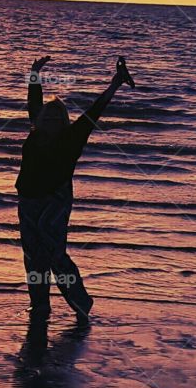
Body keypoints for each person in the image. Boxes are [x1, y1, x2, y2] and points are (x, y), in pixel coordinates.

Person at [16, 54, 135, 322]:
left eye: (57, 118)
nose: (50, 120)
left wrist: (115, 84)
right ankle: (40, 305)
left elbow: (95, 111)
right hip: (28, 201)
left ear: (64, 121)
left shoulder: (71, 138)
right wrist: (35, 73)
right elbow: (34, 102)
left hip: (55, 200)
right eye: (47, 116)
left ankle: (80, 301)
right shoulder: (35, 132)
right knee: (33, 256)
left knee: (55, 255)